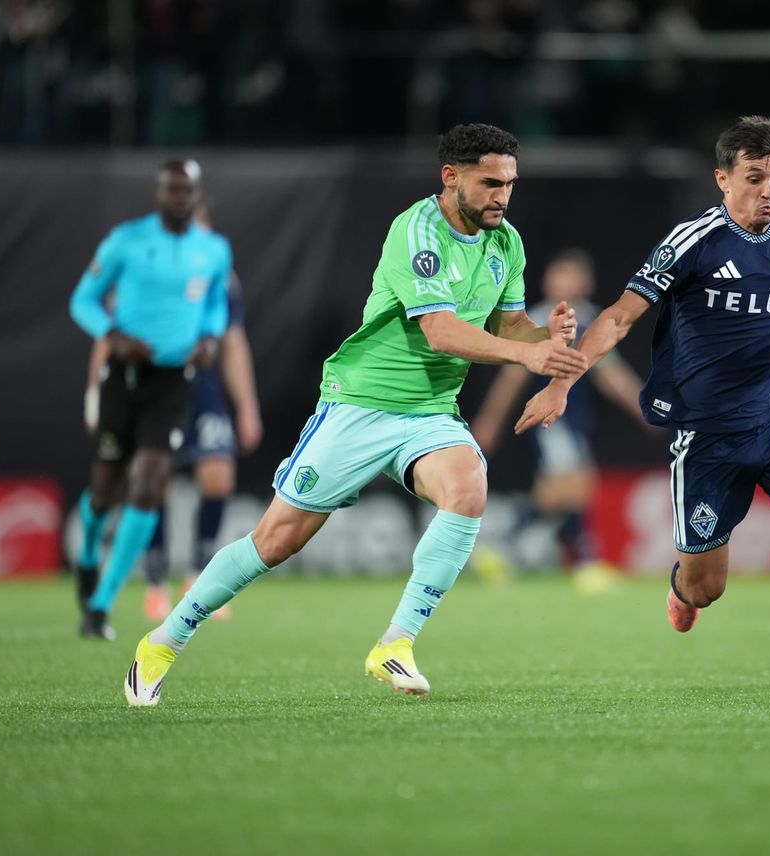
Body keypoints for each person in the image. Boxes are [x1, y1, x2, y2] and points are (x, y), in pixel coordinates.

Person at [122, 123, 587, 706]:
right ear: (451, 177)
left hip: (429, 412)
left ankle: (396, 643)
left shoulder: (505, 242)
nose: (502, 195)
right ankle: (164, 640)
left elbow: (507, 324)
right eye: (490, 182)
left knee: (469, 487)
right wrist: (530, 353)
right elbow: (441, 332)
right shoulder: (416, 232)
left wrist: (549, 335)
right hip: (360, 404)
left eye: (510, 184)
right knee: (274, 542)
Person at [518, 115, 770, 700]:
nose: (768, 191)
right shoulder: (692, 242)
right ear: (722, 179)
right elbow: (618, 317)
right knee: (708, 588)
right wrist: (561, 382)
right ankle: (682, 589)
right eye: (755, 178)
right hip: (707, 439)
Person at [69, 159, 231, 640]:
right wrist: (112, 336)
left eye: (188, 191)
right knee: (106, 488)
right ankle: (87, 552)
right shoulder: (127, 240)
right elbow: (82, 300)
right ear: (159, 194)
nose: (180, 198)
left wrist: (210, 337)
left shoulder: (214, 250)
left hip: (174, 379)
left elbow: (217, 303)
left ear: (198, 196)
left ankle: (101, 605)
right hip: (124, 375)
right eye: (172, 190)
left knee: (150, 481)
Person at [82, 204, 263, 622]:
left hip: (200, 387)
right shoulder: (143, 268)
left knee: (218, 473)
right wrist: (95, 393)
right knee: (151, 480)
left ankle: (198, 576)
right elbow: (105, 337)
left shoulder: (219, 273)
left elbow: (233, 342)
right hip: (149, 385)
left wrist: (248, 406)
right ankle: (156, 582)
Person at [471, 248, 647, 585]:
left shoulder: (592, 321)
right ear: (548, 281)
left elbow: (611, 375)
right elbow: (511, 380)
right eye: (560, 274)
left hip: (577, 421)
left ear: (586, 282)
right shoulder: (538, 320)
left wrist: (643, 406)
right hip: (554, 422)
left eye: (573, 275)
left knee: (561, 494)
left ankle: (500, 548)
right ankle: (584, 563)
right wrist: (490, 422)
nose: (567, 282)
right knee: (572, 489)